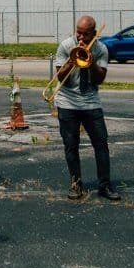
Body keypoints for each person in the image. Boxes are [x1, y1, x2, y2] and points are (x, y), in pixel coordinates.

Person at [53, 15, 120, 201]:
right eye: (78, 33)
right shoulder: (66, 46)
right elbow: (60, 78)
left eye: (85, 35)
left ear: (93, 33)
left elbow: (100, 79)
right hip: (67, 102)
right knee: (70, 145)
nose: (80, 38)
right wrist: (71, 62)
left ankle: (105, 186)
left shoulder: (101, 49)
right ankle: (76, 185)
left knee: (101, 145)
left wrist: (90, 64)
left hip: (91, 102)